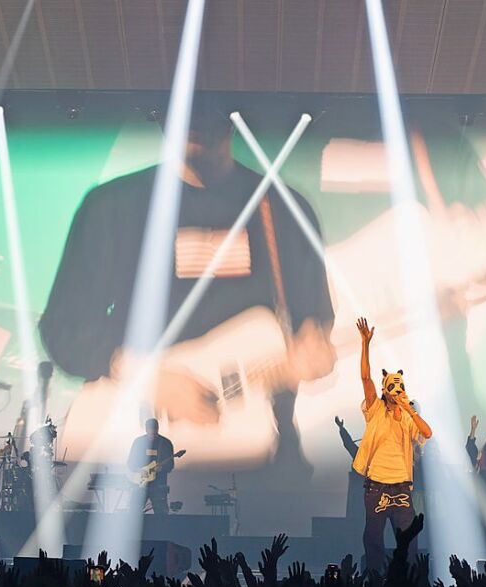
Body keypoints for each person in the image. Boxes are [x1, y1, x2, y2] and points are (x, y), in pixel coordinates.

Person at [39, 103, 335, 472]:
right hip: (132, 453)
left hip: (260, 458)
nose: (196, 119)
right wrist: (150, 380)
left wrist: (313, 345)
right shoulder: (113, 205)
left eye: (208, 104)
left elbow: (314, 321)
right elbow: (63, 327)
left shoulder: (284, 208)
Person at [351, 318, 433, 571]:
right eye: (393, 388)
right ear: (386, 391)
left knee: (408, 541)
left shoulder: (408, 418)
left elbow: (427, 433)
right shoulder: (375, 410)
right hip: (376, 487)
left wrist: (409, 408)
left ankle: (407, 585)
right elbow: (366, 378)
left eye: (401, 388)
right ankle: (375, 584)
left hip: (401, 489)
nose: (397, 392)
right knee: (373, 539)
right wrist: (365, 344)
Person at [128, 418, 175, 515]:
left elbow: (170, 465)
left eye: (154, 430)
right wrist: (139, 470)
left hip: (159, 485)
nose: (152, 433)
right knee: (134, 512)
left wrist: (162, 468)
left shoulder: (165, 443)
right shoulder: (138, 442)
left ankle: (161, 530)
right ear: (146, 429)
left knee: (161, 514)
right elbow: (131, 463)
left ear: (158, 429)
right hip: (141, 484)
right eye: (150, 430)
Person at [334, 415, 365, 524]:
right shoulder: (360, 454)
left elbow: (348, 443)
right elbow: (348, 443)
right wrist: (341, 429)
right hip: (358, 488)